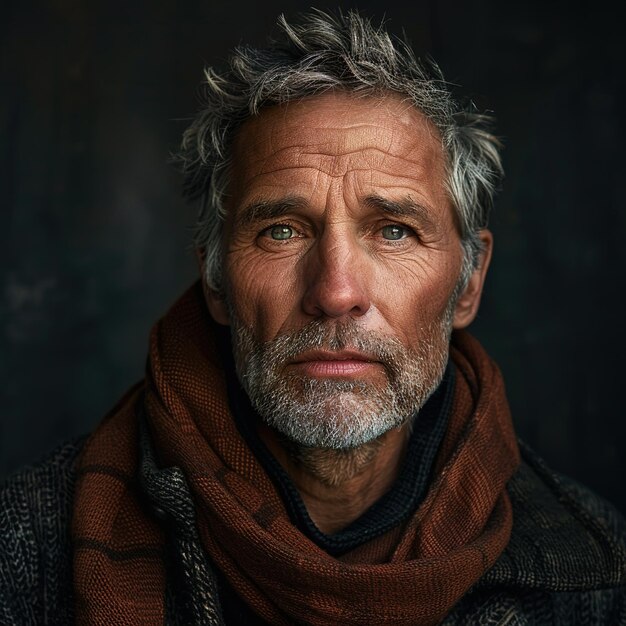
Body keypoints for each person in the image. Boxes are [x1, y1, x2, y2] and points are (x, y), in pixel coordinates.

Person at [1, 9, 625, 625]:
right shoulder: (26, 544)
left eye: (395, 232)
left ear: (469, 282)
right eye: (281, 230)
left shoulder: (598, 567)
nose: (336, 291)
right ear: (216, 280)